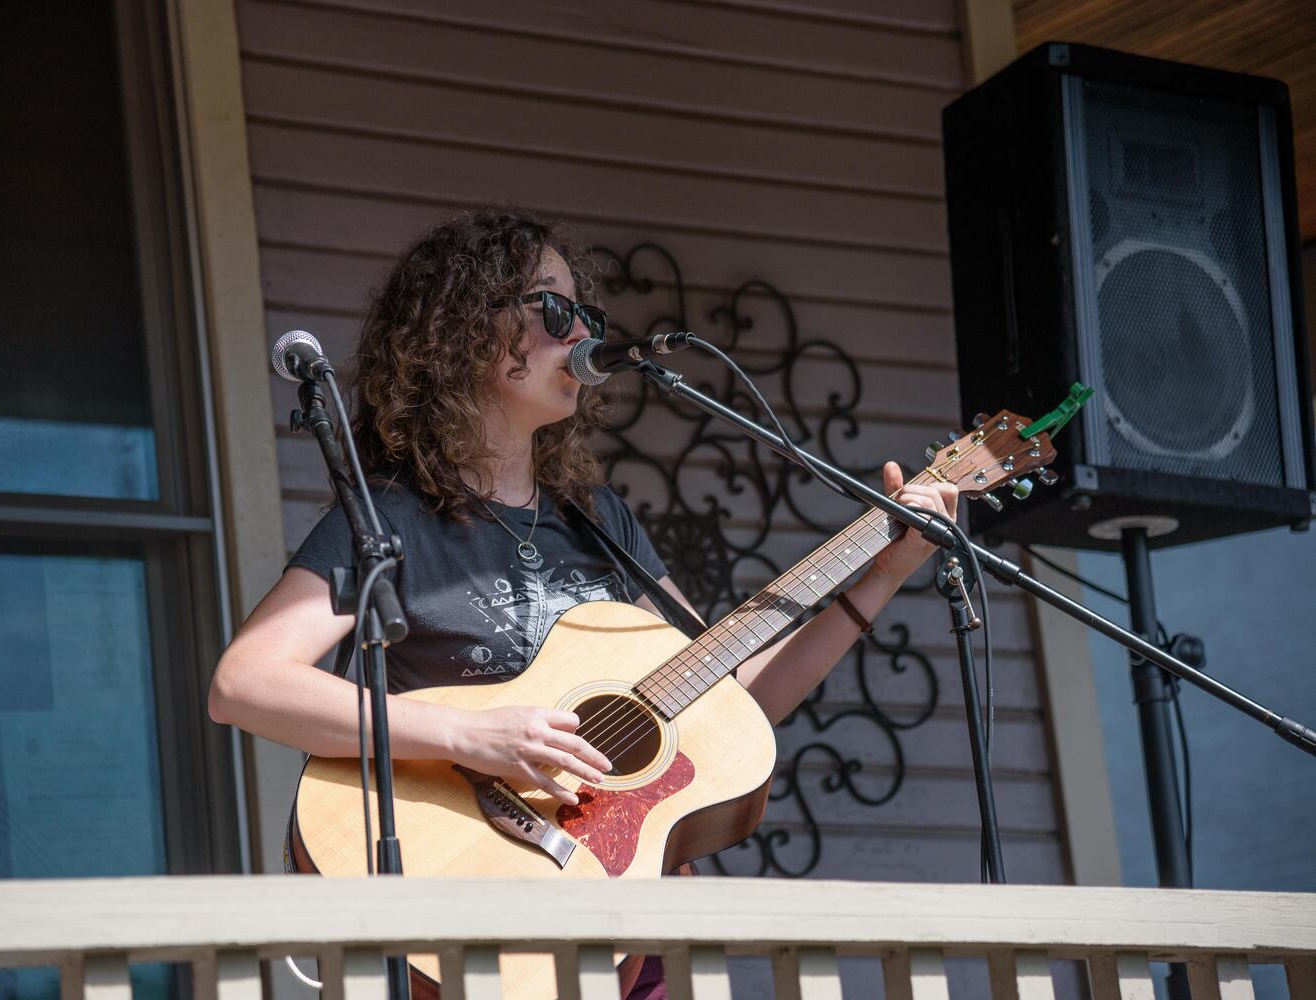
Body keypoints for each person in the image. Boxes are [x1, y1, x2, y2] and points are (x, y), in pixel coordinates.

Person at [207, 208, 958, 997]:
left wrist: (884, 567)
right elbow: (245, 682)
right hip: (474, 920)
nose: (580, 335)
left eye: (585, 315)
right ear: (463, 330)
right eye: (553, 310)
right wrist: (472, 734)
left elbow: (736, 693)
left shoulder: (600, 521)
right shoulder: (389, 521)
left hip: (629, 932)